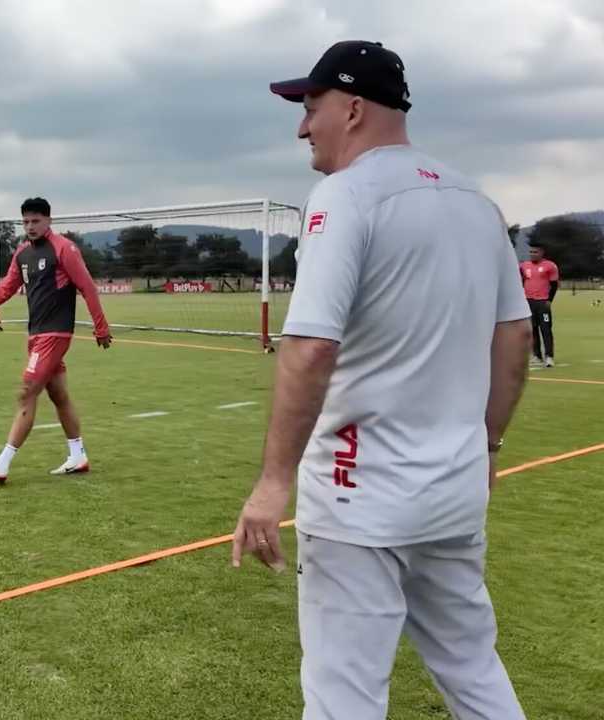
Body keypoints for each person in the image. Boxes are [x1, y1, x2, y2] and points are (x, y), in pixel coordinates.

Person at [231, 40, 532, 720]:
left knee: (344, 696)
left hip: (357, 497)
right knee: (473, 669)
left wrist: (273, 482)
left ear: (355, 109)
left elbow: (309, 347)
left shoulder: (342, 197)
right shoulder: (476, 200)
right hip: (453, 493)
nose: (302, 127)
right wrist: (486, 446)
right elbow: (512, 337)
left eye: (311, 108)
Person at [0, 197, 111, 483]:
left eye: (36, 221)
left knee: (27, 391)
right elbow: (5, 290)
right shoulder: (22, 253)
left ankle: (3, 463)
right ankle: (78, 455)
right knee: (58, 395)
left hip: (55, 333)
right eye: (25, 222)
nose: (30, 227)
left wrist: (101, 327)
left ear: (48, 220)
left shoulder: (64, 249)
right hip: (35, 334)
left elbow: (88, 288)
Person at [520, 240, 558, 367]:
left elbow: (554, 285)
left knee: (546, 329)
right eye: (531, 252)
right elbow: (520, 282)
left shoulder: (550, 266)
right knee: (533, 329)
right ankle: (537, 356)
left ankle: (549, 357)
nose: (532, 254)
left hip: (542, 302)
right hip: (529, 302)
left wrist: (549, 300)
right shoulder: (524, 266)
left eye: (535, 252)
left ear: (542, 252)